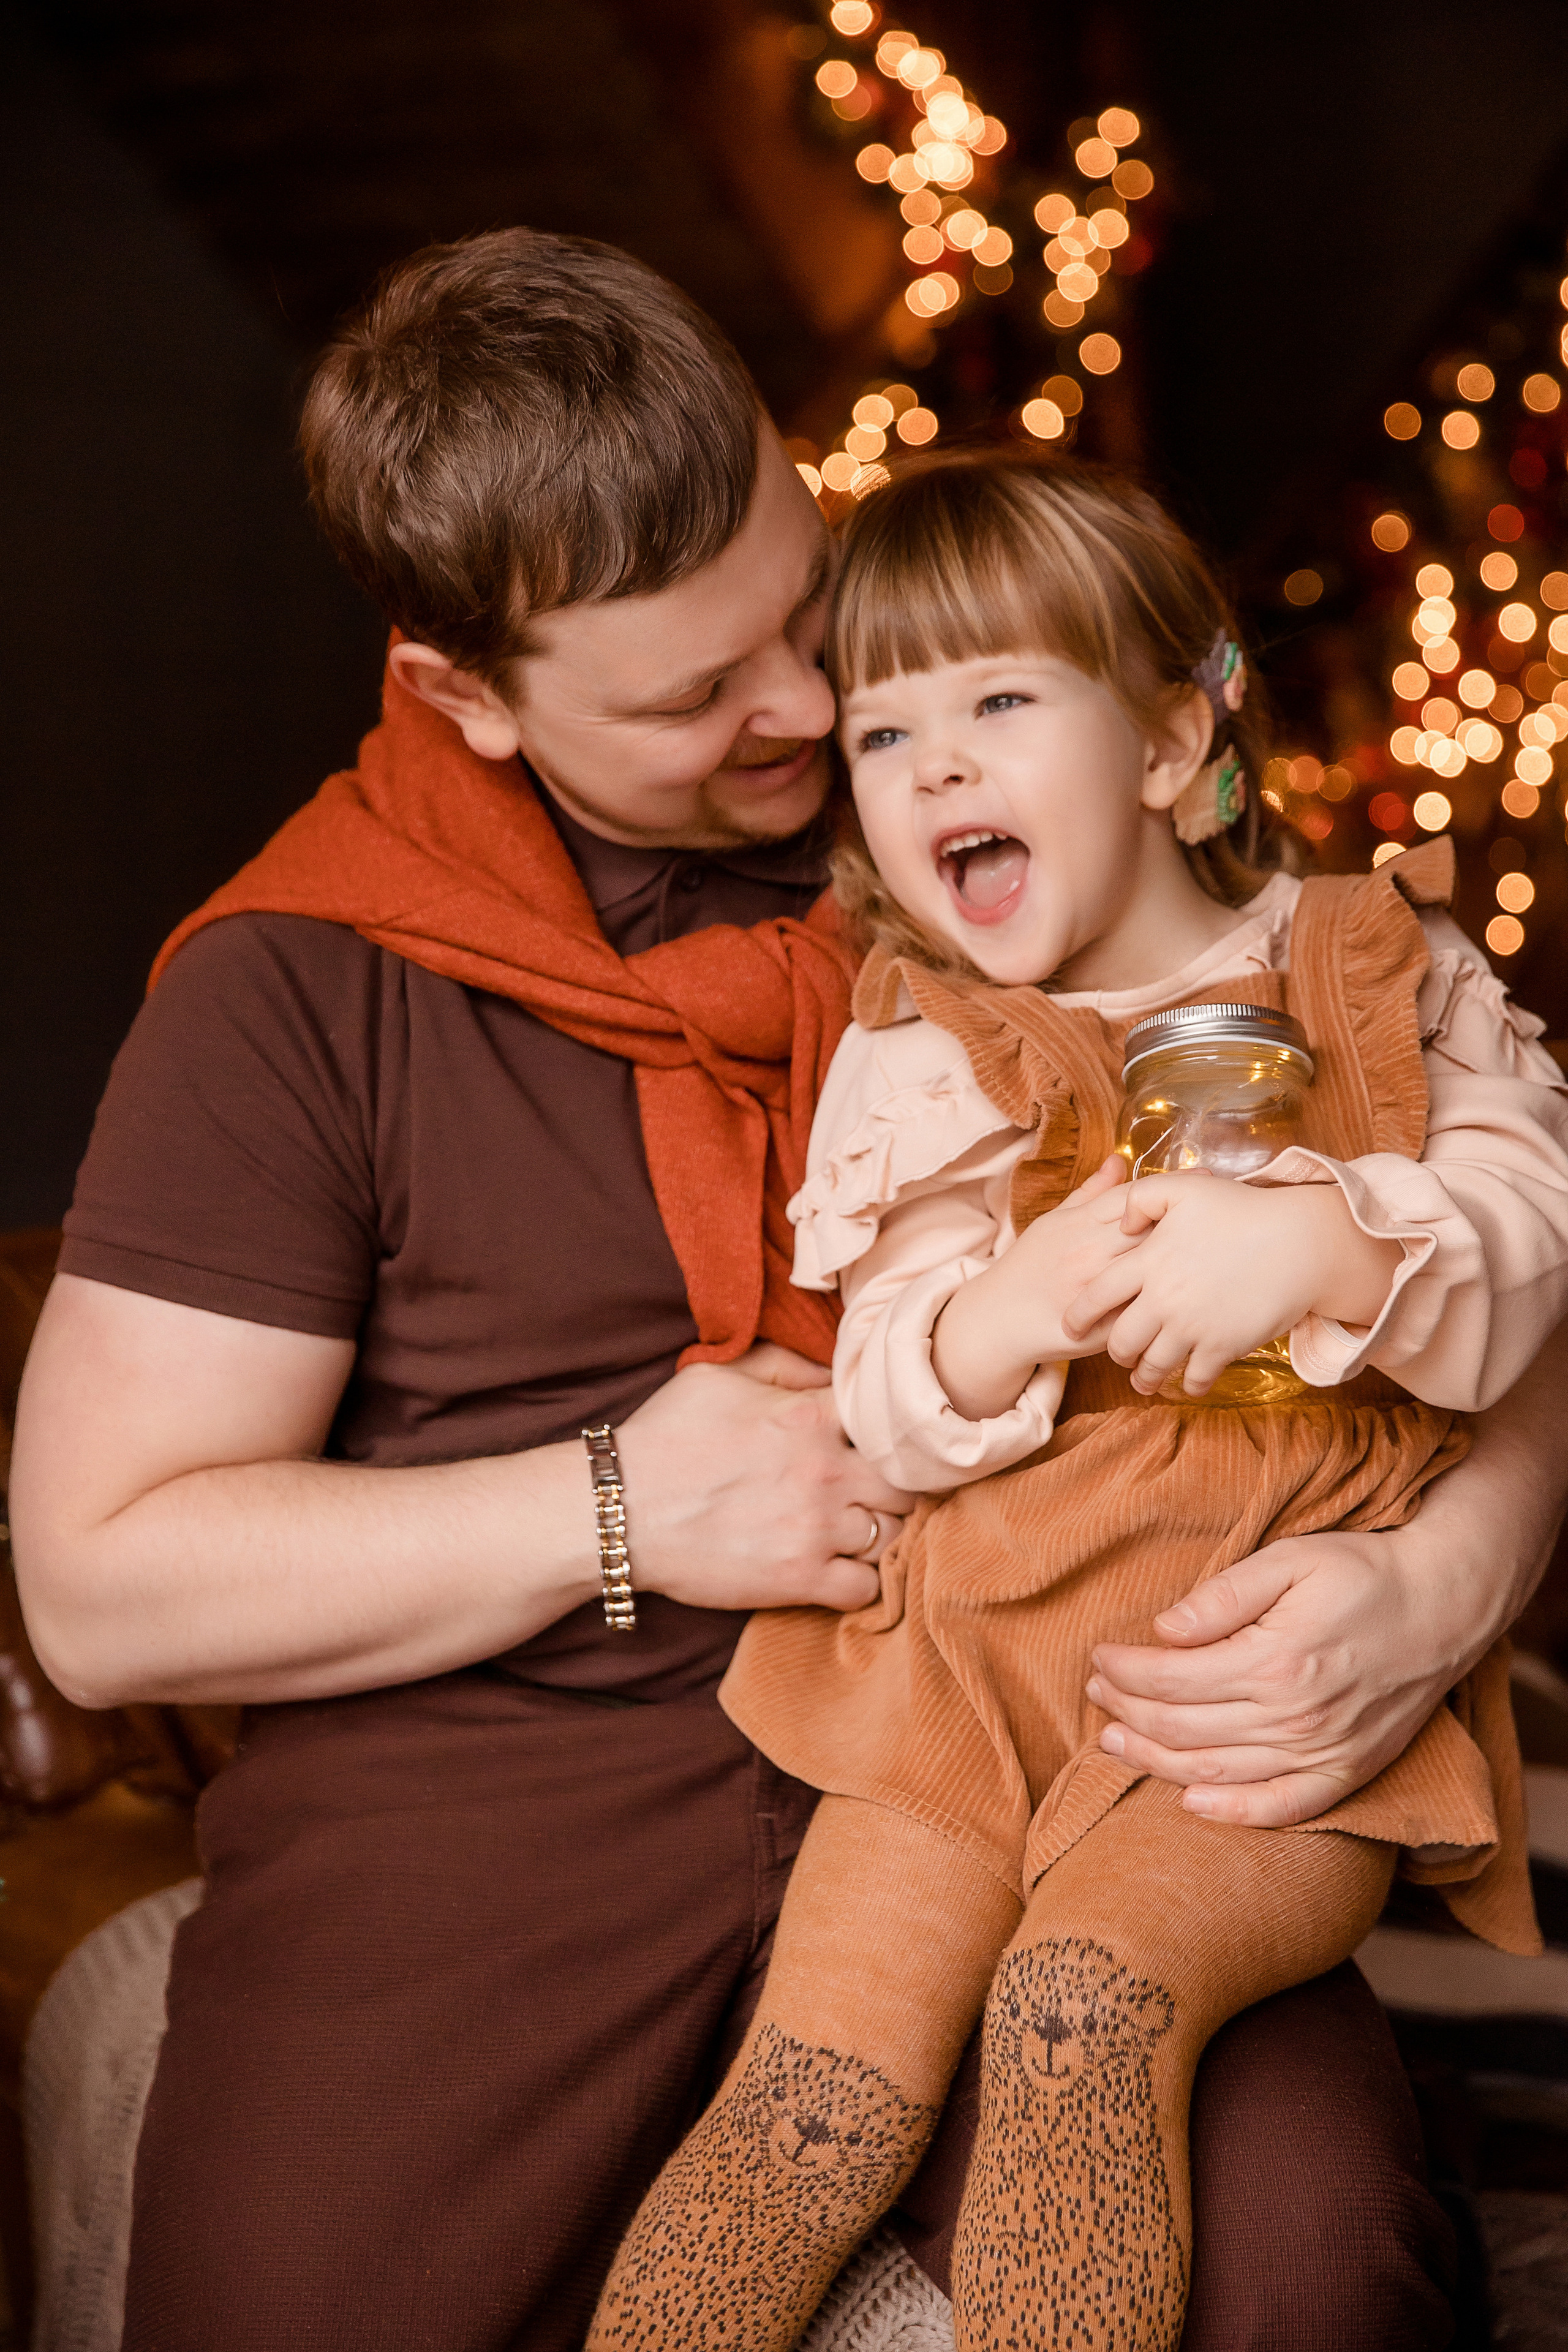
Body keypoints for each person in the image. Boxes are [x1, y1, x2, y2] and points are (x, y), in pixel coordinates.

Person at [8, 230, 1567, 2352]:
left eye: (802, 609)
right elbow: (103, 1582)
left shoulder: (1006, 816)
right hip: (501, 1831)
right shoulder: (298, 989)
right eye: (688, 695)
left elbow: (1464, 1201)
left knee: (1309, 2274)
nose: (816, 715)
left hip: (1067, 1752)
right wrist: (613, 1509)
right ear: (463, 689)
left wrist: (1451, 1576)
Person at [589, 452, 1568, 2352]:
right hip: (962, 1670)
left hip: (1238, 1674)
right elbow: (878, 1397)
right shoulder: (919, 1050)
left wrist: (1336, 1250)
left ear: (1170, 735)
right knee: (809, 2100)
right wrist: (1001, 1310)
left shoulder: (1381, 967)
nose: (940, 765)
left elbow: (1538, 1235)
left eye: (1003, 700)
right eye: (890, 731)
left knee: (1079, 2008)